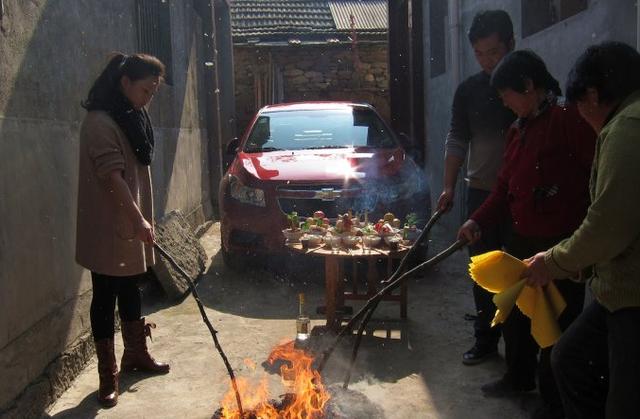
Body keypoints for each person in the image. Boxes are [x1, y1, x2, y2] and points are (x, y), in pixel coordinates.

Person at [458, 50, 596, 419]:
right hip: (521, 241)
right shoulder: (519, 130)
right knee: (516, 317)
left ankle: (553, 403)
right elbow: (504, 189)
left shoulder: (569, 121)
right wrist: (477, 221)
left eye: (507, 94)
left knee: (555, 327)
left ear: (529, 86)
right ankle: (518, 378)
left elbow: (595, 178)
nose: (504, 102)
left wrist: (580, 249)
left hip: (558, 247)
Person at [523, 41, 640, 419]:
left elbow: (608, 226)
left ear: (592, 95)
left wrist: (553, 261)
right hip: (616, 290)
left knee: (623, 404)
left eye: (580, 106)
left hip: (633, 296)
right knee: (571, 358)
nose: (581, 116)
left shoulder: (626, 127)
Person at [76, 53, 170, 408]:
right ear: (125, 83)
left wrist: (141, 220)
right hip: (108, 224)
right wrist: (139, 220)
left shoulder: (132, 115)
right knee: (105, 296)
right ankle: (107, 375)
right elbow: (113, 179)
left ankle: (135, 354)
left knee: (131, 287)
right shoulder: (100, 122)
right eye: (145, 89)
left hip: (129, 223)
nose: (149, 97)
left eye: (153, 92)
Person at [437, 9, 516, 365]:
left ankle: (521, 351)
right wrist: (449, 187)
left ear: (510, 46)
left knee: (517, 273)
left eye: (494, 53)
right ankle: (486, 339)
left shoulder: (524, 85)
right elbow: (457, 140)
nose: (487, 62)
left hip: (519, 197)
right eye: (480, 54)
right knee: (482, 270)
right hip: (481, 193)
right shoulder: (469, 91)